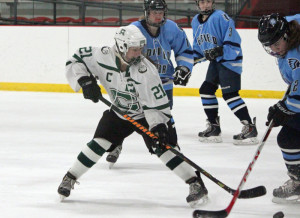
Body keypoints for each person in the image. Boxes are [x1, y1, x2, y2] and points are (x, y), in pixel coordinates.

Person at [58, 25, 208, 207]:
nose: (139, 54)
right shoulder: (102, 55)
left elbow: (154, 103)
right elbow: (76, 59)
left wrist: (158, 126)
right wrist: (85, 80)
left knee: (164, 148)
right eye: (134, 49)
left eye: (140, 49)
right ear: (121, 47)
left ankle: (195, 182)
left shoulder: (146, 70)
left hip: (145, 114)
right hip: (120, 111)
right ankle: (70, 177)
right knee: (99, 143)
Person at [106, 0, 194, 165]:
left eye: (160, 12)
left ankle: (172, 145)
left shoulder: (172, 28)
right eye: (154, 11)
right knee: (128, 116)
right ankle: (117, 143)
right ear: (147, 12)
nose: (158, 15)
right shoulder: (133, 30)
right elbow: (118, 52)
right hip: (137, 83)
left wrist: (183, 68)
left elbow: (185, 50)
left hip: (164, 83)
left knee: (164, 116)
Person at [191, 0, 258, 145]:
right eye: (202, 2)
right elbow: (198, 48)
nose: (206, 5)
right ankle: (214, 127)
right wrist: (189, 62)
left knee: (230, 94)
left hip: (229, 60)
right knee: (206, 90)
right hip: (216, 62)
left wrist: (221, 50)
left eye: (208, 1)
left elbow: (233, 40)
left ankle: (250, 127)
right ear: (197, 4)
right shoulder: (195, 22)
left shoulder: (221, 17)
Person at [258, 13, 300, 204]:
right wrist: (282, 107)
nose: (273, 50)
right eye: (269, 46)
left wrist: (285, 108)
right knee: (287, 138)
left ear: (285, 36)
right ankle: (298, 181)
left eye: (276, 44)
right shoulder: (287, 47)